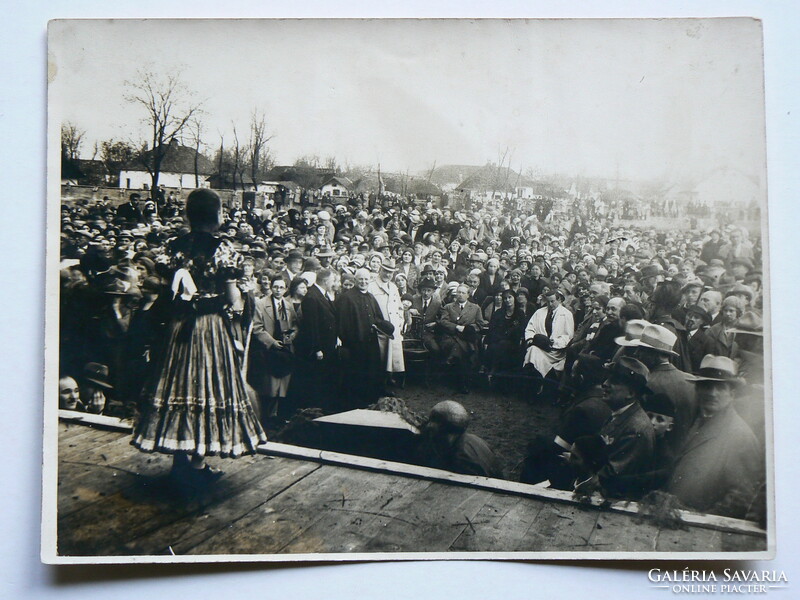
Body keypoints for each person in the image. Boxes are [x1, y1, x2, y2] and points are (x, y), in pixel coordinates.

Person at [131, 189, 266, 484]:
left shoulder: (173, 245)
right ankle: (196, 464)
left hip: (178, 328)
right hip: (210, 327)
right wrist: (242, 300)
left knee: (178, 387)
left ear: (189, 215)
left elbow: (168, 291)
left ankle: (181, 459)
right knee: (207, 388)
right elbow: (233, 299)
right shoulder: (223, 248)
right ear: (217, 215)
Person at [667, 355, 762, 518]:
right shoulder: (699, 420)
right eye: (707, 386)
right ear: (697, 390)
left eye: (720, 388)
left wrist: (697, 519)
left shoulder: (740, 436)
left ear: (732, 393)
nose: (712, 393)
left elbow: (740, 499)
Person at [575, 357, 656, 499]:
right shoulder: (619, 413)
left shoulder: (636, 429)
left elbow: (609, 476)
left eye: (614, 381)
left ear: (631, 393)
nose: (605, 384)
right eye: (607, 379)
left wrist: (578, 471)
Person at [337, 268, 391, 407]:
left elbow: (377, 317)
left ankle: (371, 397)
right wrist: (348, 340)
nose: (363, 282)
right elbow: (342, 323)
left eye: (366, 279)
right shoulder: (347, 297)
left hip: (370, 340)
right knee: (356, 373)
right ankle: (357, 401)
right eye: (360, 279)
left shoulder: (370, 297)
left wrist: (381, 325)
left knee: (372, 370)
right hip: (354, 343)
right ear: (355, 280)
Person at [250, 276, 299, 425]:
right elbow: (257, 327)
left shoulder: (288, 305)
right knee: (269, 387)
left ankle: (277, 416)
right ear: (271, 288)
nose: (278, 290)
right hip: (269, 350)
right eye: (275, 287)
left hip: (285, 351)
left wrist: (291, 336)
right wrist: (271, 342)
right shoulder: (261, 303)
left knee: (282, 388)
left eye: (281, 288)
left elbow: (295, 325)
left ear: (285, 289)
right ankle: (266, 418)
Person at [415, 400, 505, 479]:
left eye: (433, 421)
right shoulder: (474, 439)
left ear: (441, 428)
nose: (429, 426)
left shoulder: (461, 461)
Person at [294, 268, 339, 412]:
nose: (333, 283)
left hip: (328, 344)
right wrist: (317, 348)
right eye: (332, 280)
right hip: (320, 348)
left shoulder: (321, 294)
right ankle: (316, 409)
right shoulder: (312, 297)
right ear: (325, 281)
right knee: (317, 379)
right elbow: (311, 326)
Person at [522, 290, 575, 394]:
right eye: (548, 302)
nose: (550, 304)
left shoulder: (566, 314)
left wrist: (552, 343)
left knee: (534, 354)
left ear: (559, 300)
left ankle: (541, 386)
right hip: (540, 347)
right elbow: (530, 328)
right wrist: (531, 339)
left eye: (552, 301)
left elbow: (568, 336)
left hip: (556, 352)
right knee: (532, 351)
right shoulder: (539, 312)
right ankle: (534, 386)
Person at [437, 283, 486, 394]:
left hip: (467, 337)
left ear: (468, 295)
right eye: (458, 292)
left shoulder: (475, 308)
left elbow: (480, 324)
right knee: (462, 348)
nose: (460, 295)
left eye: (463, 293)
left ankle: (459, 379)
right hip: (451, 336)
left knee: (459, 348)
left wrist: (467, 328)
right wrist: (456, 327)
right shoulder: (448, 307)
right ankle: (463, 383)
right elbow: (443, 322)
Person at [368, 258, 406, 385]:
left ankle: (390, 380)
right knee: (381, 357)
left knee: (393, 357)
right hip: (380, 328)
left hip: (393, 327)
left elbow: (399, 307)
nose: (388, 275)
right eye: (385, 271)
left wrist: (400, 321)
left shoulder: (394, 287)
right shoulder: (371, 286)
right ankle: (381, 383)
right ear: (380, 269)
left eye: (390, 272)